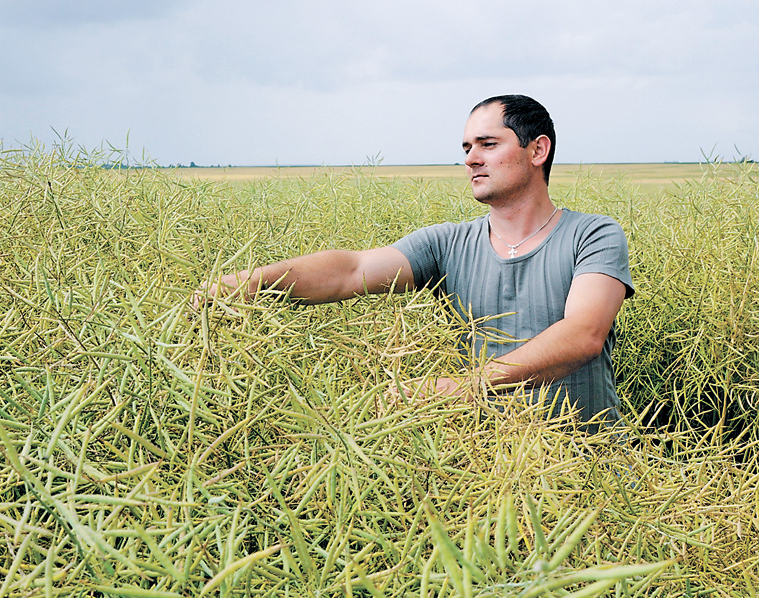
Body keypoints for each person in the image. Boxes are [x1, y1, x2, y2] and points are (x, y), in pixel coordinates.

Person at [195, 95, 634, 429]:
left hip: (588, 465)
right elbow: (349, 271)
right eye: (466, 147)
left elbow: (583, 336)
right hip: (490, 463)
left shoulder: (592, 234)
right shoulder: (446, 242)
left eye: (488, 144)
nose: (471, 159)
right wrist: (251, 283)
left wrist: (458, 388)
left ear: (538, 151)